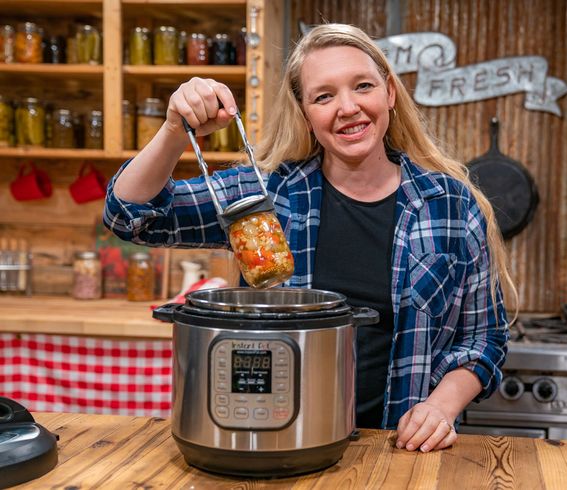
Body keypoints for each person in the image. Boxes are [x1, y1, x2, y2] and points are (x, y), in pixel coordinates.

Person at [105, 23, 513, 453]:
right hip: (279, 445)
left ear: (389, 93)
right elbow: (130, 216)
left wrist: (440, 408)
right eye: (324, 96)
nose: (348, 107)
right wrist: (174, 129)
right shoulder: (268, 196)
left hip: (400, 449)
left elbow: (483, 337)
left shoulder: (449, 204)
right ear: (304, 112)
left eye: (362, 86)